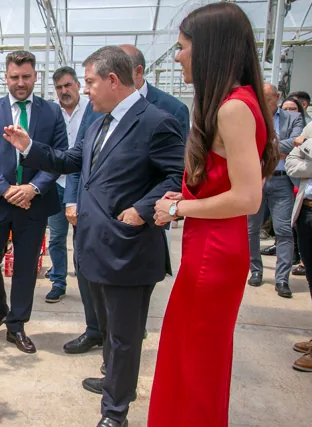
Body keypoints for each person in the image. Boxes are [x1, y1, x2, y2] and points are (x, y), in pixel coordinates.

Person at [4, 45, 184, 427]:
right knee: (108, 331)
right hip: (95, 245)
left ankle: (115, 413)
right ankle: (114, 381)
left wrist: (143, 209)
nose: (85, 91)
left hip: (128, 248)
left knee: (124, 336)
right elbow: (72, 161)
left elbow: (176, 176)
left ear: (113, 81)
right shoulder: (100, 121)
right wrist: (29, 147)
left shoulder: (156, 121)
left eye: (89, 82)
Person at [148, 3, 280, 426]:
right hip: (211, 248)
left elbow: (247, 198)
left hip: (214, 253)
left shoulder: (232, 108)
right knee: (193, 358)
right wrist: (188, 193)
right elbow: (228, 184)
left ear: (208, 50)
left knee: (197, 364)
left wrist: (178, 207)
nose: (178, 57)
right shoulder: (234, 103)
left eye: (183, 47)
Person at [0, 50, 68, 354]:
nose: (21, 82)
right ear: (6, 77)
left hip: (34, 203)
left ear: (35, 76)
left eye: (26, 76)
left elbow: (59, 157)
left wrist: (33, 188)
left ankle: (16, 325)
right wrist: (6, 189)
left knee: (26, 267)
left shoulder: (51, 112)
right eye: (15, 77)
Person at [246, 83, 303, 298]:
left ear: (277, 97)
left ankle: (282, 279)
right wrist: (280, 147)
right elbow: (250, 146)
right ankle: (256, 271)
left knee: (284, 231)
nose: (263, 102)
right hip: (256, 181)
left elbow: (297, 144)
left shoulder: (293, 118)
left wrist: (266, 146)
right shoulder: (251, 117)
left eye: (267, 98)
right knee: (251, 230)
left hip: (281, 181)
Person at [44, 66, 93, 303]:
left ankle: (87, 283)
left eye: (67, 85)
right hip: (57, 182)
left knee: (82, 237)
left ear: (77, 85)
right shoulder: (52, 112)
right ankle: (58, 281)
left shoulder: (92, 108)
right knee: (56, 236)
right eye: (59, 87)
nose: (64, 91)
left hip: (83, 184)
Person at [62, 87, 105, 355]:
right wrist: (72, 200)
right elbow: (79, 157)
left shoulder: (164, 109)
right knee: (84, 266)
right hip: (86, 211)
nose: (86, 89)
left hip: (128, 220)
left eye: (91, 80)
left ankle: (117, 341)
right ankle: (94, 330)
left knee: (119, 287)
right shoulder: (94, 108)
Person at [120, 44, 190, 139]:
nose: (111, 79)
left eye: (119, 72)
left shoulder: (173, 109)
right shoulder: (97, 108)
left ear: (138, 72)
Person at [285, 136, 312, 371]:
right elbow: (291, 164)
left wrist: (305, 147)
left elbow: (299, 155)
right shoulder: (310, 127)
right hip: (307, 209)